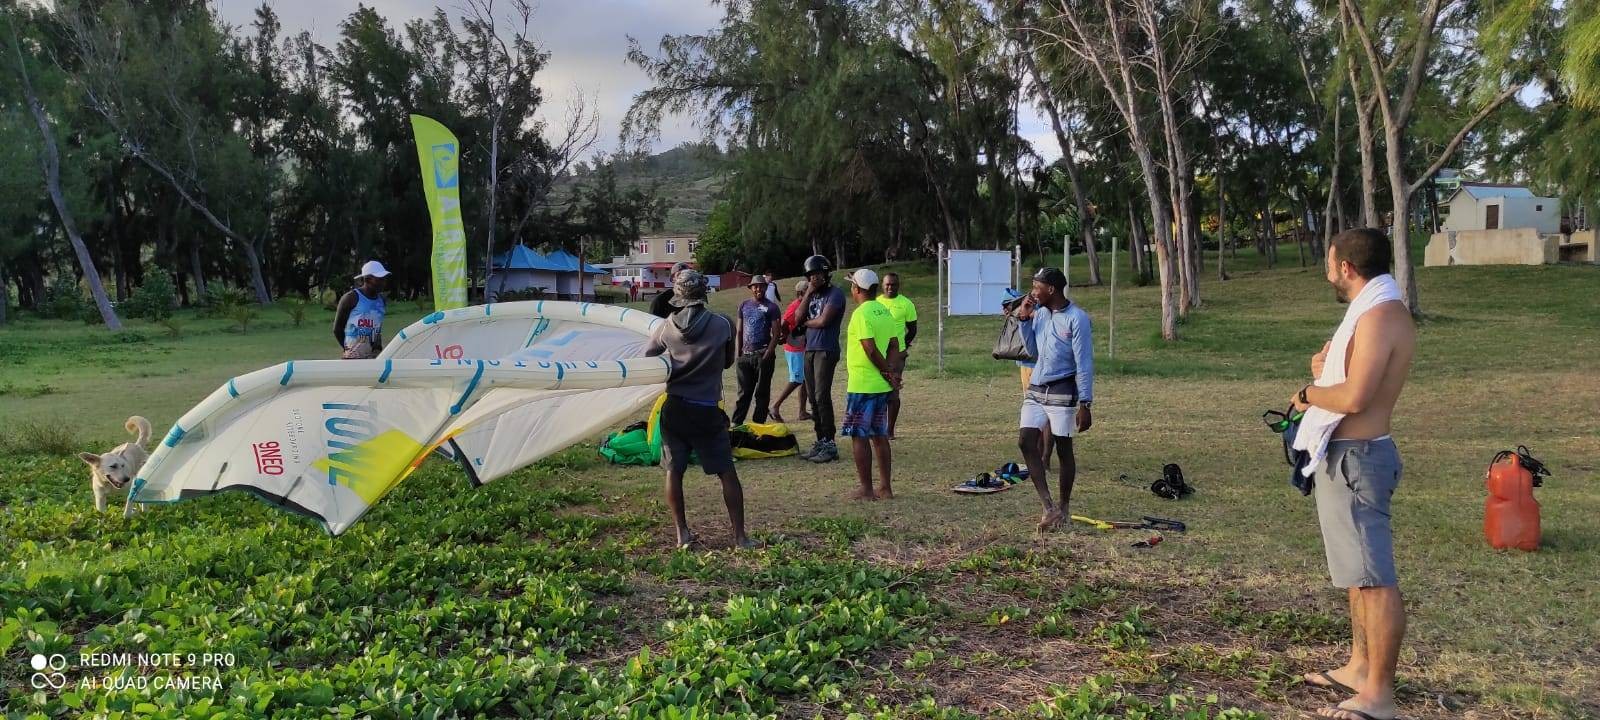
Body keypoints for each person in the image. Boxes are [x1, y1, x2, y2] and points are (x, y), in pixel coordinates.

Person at [1288, 228, 1415, 720]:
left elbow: (1355, 397)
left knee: (1374, 578)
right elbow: (1351, 377)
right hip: (1347, 455)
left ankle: (1378, 695)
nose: (1327, 269)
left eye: (1329, 260)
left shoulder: (1380, 315)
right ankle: (1359, 666)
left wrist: (1308, 393)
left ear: (1345, 267)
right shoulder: (1372, 313)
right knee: (1357, 577)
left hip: (1358, 457)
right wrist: (1326, 368)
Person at [642, 270, 755, 550]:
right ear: (703, 292)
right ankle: (740, 537)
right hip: (706, 409)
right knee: (726, 472)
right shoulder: (723, 324)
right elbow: (729, 362)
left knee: (674, 470)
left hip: (675, 408)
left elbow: (648, 358)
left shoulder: (666, 327)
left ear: (677, 295)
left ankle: (682, 535)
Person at [1014, 267, 1093, 532]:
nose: (1033, 292)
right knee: (1026, 441)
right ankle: (1048, 507)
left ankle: (1064, 507)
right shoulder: (1040, 314)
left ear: (1051, 289)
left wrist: (1086, 403)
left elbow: (1084, 363)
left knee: (1063, 448)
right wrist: (1024, 319)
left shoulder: (1077, 318)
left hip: (1062, 390)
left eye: (1037, 287)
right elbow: (1032, 350)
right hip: (1036, 388)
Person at [841, 268, 902, 500]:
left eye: (852, 285)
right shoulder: (884, 311)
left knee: (859, 435)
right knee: (880, 436)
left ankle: (866, 489)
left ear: (857, 289)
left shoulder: (860, 314)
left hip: (863, 385)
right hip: (881, 387)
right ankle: (885, 488)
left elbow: (869, 347)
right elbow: (896, 345)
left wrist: (887, 370)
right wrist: (892, 372)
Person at [795, 254, 846, 463]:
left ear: (826, 273)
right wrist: (808, 293)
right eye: (810, 276)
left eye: (816, 274)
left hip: (826, 349)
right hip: (810, 349)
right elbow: (797, 317)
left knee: (821, 396)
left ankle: (830, 444)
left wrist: (806, 324)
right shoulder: (812, 294)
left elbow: (824, 321)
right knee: (813, 398)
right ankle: (820, 440)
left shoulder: (836, 294)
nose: (813, 279)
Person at [732, 275, 783, 425]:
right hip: (745, 356)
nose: (758, 289)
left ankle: (758, 424)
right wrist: (738, 352)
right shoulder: (744, 305)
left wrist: (769, 352)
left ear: (766, 288)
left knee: (762, 393)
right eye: (755, 286)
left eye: (761, 286)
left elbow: (776, 333)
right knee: (743, 393)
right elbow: (739, 330)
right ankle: (736, 424)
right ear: (751, 288)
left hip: (763, 355)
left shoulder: (772, 307)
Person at [876, 272, 917, 438]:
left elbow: (912, 329)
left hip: (896, 355)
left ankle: (890, 430)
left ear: (898, 285)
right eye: (887, 284)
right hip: (878, 352)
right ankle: (877, 426)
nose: (890, 287)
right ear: (882, 285)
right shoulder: (875, 303)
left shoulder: (906, 304)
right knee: (878, 390)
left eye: (893, 284)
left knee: (893, 392)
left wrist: (903, 347)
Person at [769, 280, 811, 423]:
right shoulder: (795, 306)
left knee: (804, 380)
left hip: (803, 347)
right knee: (796, 379)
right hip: (794, 349)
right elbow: (783, 324)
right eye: (807, 290)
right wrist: (787, 337)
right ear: (800, 293)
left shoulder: (807, 305)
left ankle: (802, 412)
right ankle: (775, 406)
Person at [334, 260, 390, 359]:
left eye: (384, 279)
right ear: (367, 279)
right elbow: (337, 329)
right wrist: (347, 349)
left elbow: (377, 328)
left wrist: (377, 349)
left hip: (374, 356)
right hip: (353, 356)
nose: (383, 282)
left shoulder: (382, 301)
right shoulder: (351, 298)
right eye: (379, 279)